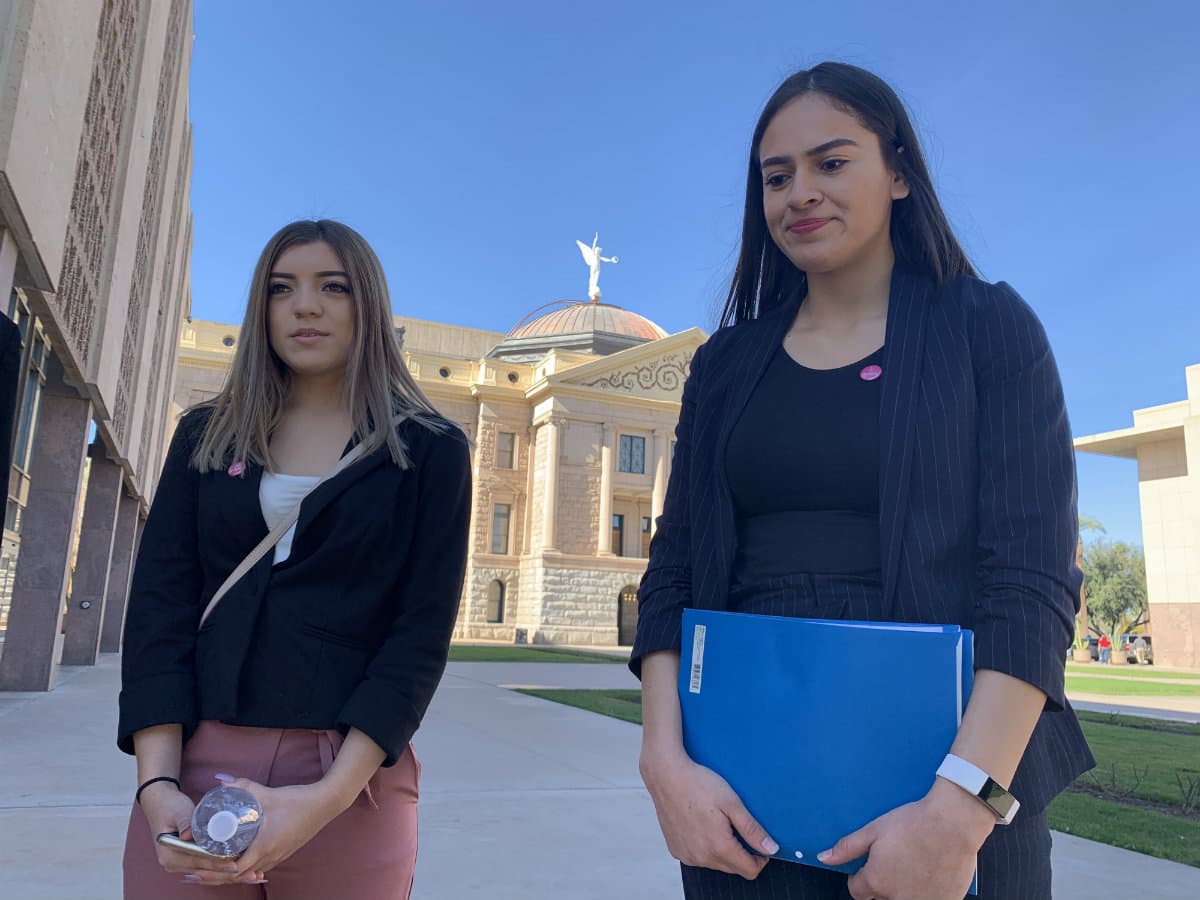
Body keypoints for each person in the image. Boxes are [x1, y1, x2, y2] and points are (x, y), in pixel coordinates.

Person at [632, 62, 1094, 900]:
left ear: (900, 173)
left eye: (831, 162)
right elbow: (674, 570)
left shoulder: (985, 328)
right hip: (739, 813)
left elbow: (1030, 586)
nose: (799, 192)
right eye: (777, 177)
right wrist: (665, 767)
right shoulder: (725, 365)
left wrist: (959, 813)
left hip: (946, 810)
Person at [117, 220, 472, 899]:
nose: (304, 305)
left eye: (331, 287)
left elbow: (418, 639)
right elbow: (160, 611)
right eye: (282, 289)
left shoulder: (428, 450)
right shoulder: (205, 435)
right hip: (194, 762)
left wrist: (325, 798)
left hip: (348, 777)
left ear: (367, 302)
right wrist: (157, 782)